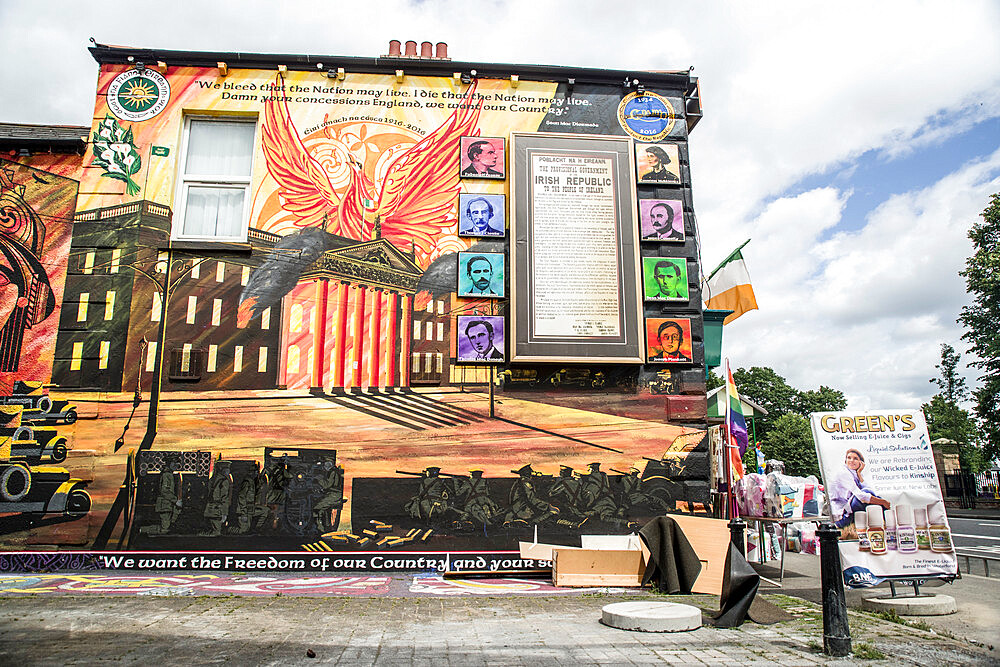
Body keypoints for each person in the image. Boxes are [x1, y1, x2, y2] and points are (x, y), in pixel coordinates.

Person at [829, 448, 890, 528]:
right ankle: (887, 520)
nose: (851, 460)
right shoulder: (843, 473)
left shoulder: (854, 473)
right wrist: (882, 502)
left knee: (867, 491)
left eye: (855, 459)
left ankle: (884, 521)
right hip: (842, 518)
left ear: (861, 463)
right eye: (849, 458)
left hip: (850, 513)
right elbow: (861, 496)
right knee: (865, 495)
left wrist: (859, 473)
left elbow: (868, 489)